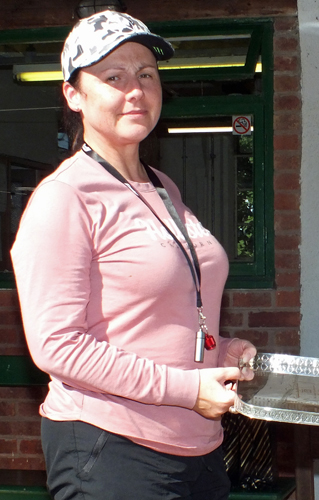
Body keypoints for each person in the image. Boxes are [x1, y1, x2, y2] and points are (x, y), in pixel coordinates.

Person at [11, 10, 256, 500]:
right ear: (74, 94)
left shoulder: (162, 186)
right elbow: (57, 345)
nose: (135, 90)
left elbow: (160, 316)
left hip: (197, 446)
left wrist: (225, 351)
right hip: (113, 449)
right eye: (113, 77)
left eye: (146, 74)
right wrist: (189, 390)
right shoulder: (66, 196)